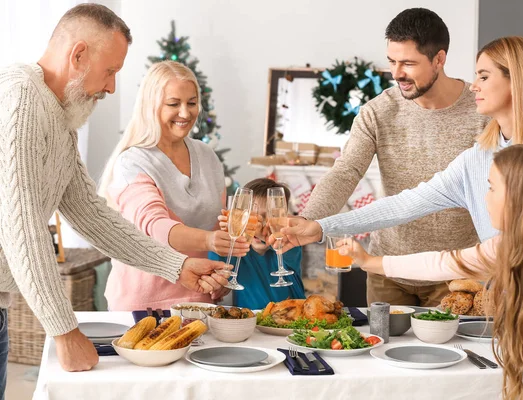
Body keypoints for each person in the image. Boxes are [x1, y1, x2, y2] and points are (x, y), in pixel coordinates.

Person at [0, 3, 230, 387]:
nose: (110, 87)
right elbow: (20, 226)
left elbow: (90, 213)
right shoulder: (21, 101)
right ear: (78, 55)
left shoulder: (59, 117)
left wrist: (177, 266)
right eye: (110, 72)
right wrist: (64, 330)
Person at [279, 36, 523, 288]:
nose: (474, 85)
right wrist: (320, 226)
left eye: (484, 76)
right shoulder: (477, 159)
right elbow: (404, 205)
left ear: (516, 80)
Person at [339, 145, 523, 400]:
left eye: (492, 187)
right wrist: (369, 261)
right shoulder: (507, 247)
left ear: (521, 198)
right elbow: (442, 264)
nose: (485, 197)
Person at [299, 8, 489, 308]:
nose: (397, 72)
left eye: (409, 63)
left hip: (454, 273)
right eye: (392, 61)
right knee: (380, 351)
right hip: (386, 268)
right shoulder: (378, 111)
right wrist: (308, 220)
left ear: (439, 59)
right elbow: (346, 171)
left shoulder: (482, 113)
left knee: (454, 353)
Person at [99, 61, 249, 311]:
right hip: (144, 303)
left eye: (191, 103)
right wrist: (210, 241)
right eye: (173, 104)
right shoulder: (132, 162)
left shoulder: (207, 156)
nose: (185, 113)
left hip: (199, 296)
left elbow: (219, 222)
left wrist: (222, 271)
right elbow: (154, 227)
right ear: (151, 106)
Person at [210, 179, 305, 309]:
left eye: (269, 216)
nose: (258, 224)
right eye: (251, 217)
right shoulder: (238, 250)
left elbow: (278, 243)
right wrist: (228, 232)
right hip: (250, 324)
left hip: (291, 320)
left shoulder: (289, 244)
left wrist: (258, 230)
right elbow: (216, 264)